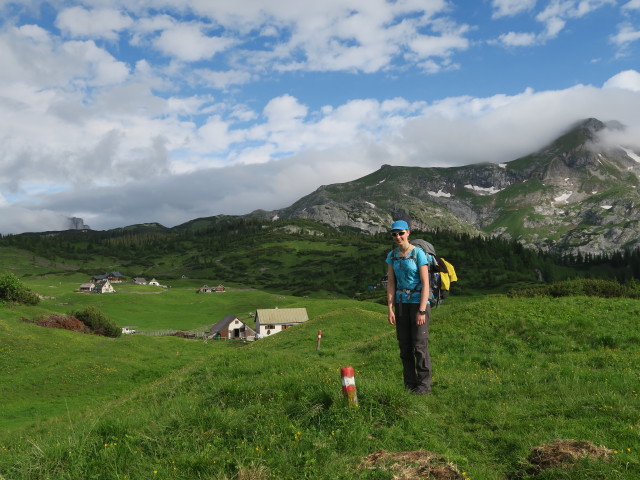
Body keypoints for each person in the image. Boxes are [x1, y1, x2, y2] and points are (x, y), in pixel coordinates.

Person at [385, 220, 432, 395]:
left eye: (401, 233)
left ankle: (424, 386)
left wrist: (421, 310)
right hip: (401, 304)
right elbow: (391, 283)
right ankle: (409, 384)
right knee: (404, 346)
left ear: (408, 233)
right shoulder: (392, 256)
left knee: (419, 346)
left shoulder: (419, 254)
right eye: (394, 234)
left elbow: (426, 284)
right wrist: (390, 308)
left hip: (419, 303)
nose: (398, 237)